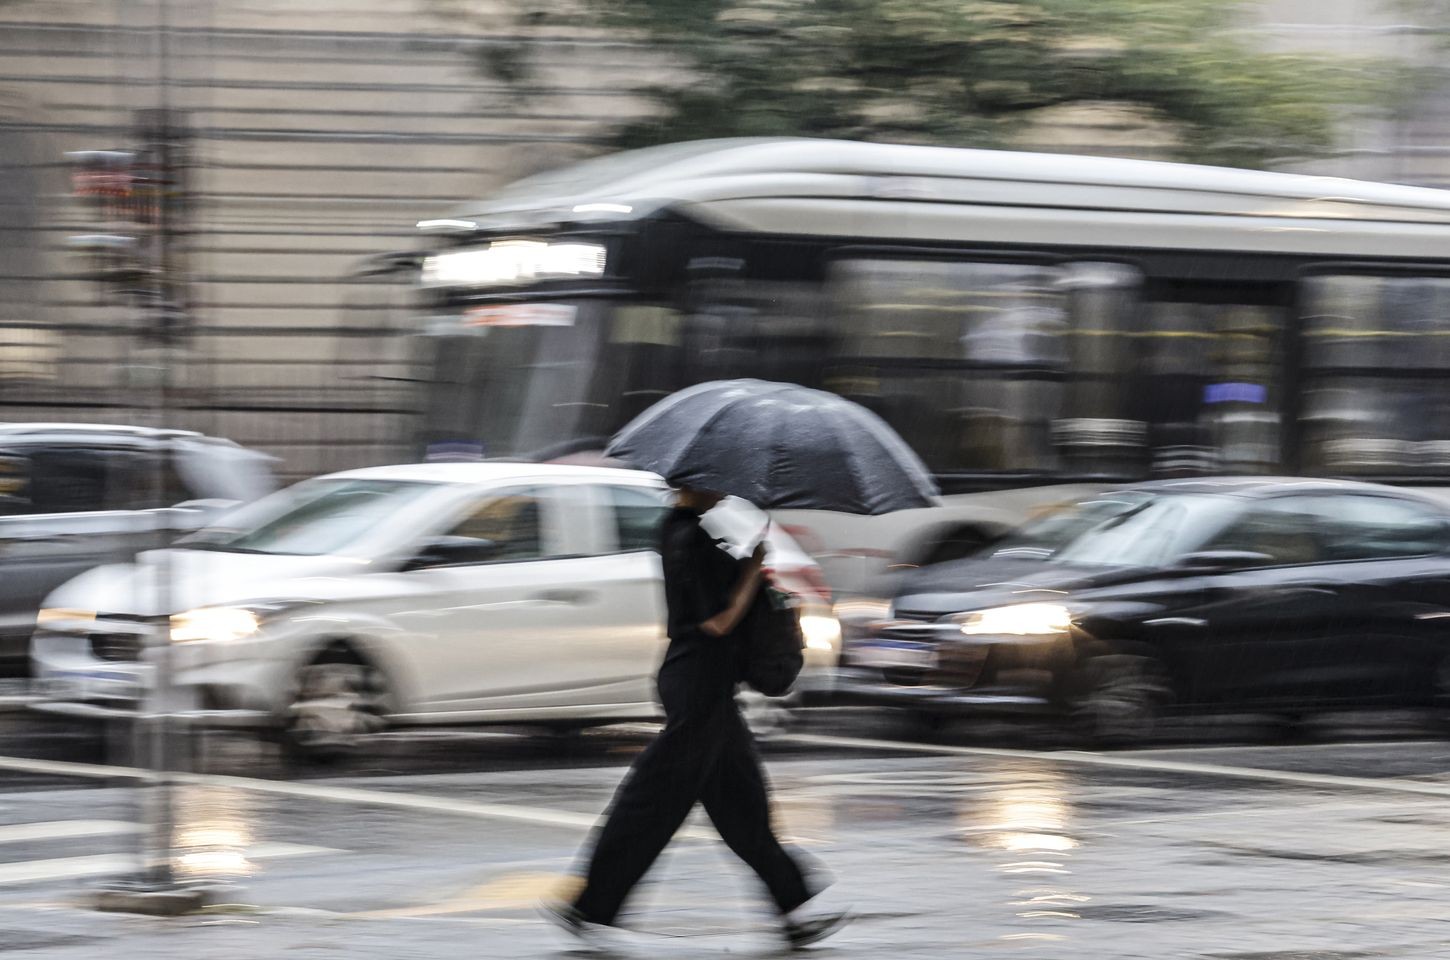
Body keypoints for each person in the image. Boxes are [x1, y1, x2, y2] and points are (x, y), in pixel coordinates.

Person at [542, 485, 849, 950]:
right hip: (699, 691)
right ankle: (588, 905)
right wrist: (752, 571)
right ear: (693, 483)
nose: (723, 492)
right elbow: (716, 623)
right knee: (651, 802)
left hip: (706, 688)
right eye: (715, 484)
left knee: (743, 808)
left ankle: (792, 909)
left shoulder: (677, 530)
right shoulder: (691, 539)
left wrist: (746, 564)